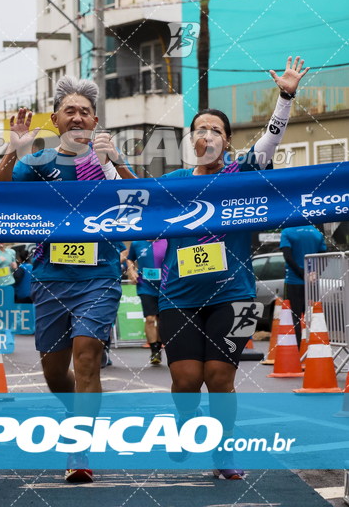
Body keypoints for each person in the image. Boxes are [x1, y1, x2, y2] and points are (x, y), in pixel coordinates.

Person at [157, 56, 309, 481]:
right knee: (187, 381)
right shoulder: (173, 184)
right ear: (191, 140)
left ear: (227, 141)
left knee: (220, 377)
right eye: (200, 129)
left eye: (216, 130)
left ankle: (223, 450)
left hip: (235, 294)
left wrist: (285, 97)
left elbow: (271, 142)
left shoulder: (243, 175)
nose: (208, 134)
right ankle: (186, 425)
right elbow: (127, 203)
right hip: (178, 297)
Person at [0, 75, 135, 484]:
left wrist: (119, 162)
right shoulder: (39, 163)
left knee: (87, 356)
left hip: (99, 277)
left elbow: (148, 203)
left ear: (94, 121)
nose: (77, 116)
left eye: (85, 112)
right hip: (51, 279)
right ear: (55, 120)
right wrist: (12, 147)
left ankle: (79, 448)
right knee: (55, 373)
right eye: (69, 110)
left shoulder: (108, 161)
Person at [280, 224, 326, 347]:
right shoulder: (317, 232)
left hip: (294, 281)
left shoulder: (287, 232)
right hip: (312, 283)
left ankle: (296, 351)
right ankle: (314, 351)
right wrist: (316, 274)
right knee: (312, 317)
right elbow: (324, 257)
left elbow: (287, 257)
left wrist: (302, 274)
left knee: (294, 318)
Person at [127, 239, 167, 365]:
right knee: (150, 318)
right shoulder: (137, 243)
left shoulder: (167, 241)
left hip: (165, 286)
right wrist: (132, 271)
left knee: (162, 320)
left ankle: (159, 345)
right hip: (145, 287)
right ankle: (154, 350)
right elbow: (129, 259)